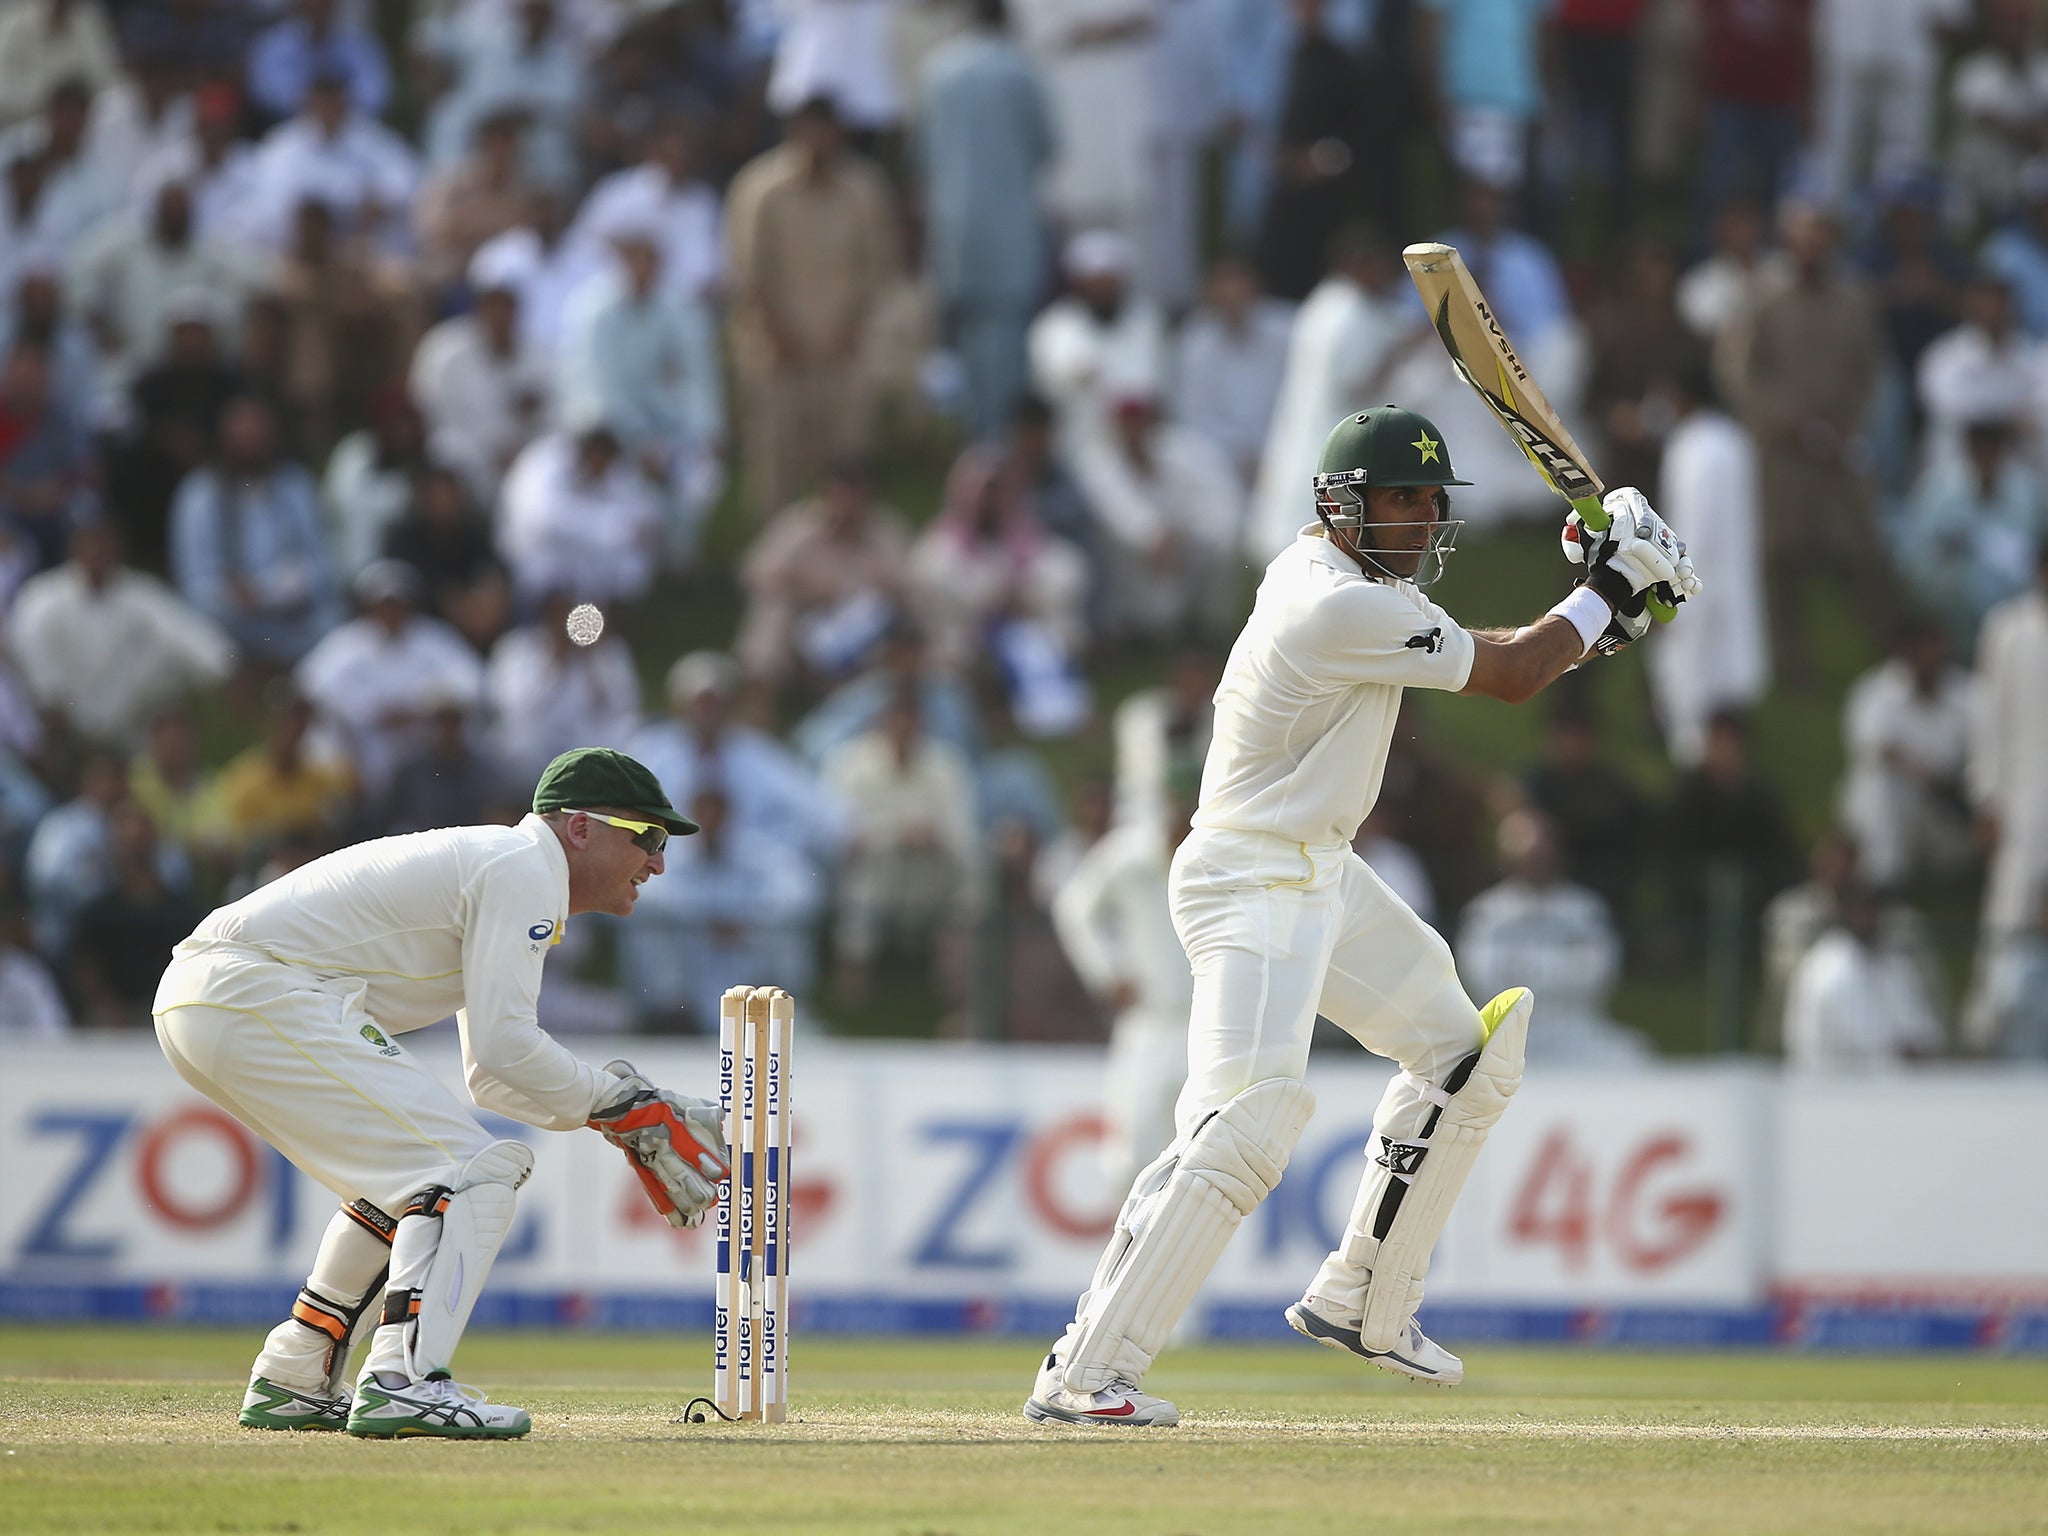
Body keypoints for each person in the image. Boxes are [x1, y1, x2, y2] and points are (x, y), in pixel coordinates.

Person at [1023, 404, 1699, 1426]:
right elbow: (1513, 672)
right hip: (1250, 875)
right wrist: (1610, 585)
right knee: (1243, 1124)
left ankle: (1364, 1301)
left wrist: (1603, 601)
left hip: (1318, 873)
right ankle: (1085, 1376)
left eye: (1433, 501)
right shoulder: (1327, 604)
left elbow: (1499, 648)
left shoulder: (1355, 589)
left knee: (1464, 1055)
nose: (1424, 519)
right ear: (1338, 506)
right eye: (1400, 499)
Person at [153, 748, 723, 1438]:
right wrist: (625, 1105)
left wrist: (616, 1116)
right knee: (463, 1173)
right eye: (648, 837)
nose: (658, 862)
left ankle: (297, 1374)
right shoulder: (521, 868)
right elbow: (510, 1046)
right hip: (251, 989)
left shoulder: (503, 868)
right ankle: (403, 1382)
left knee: (413, 1186)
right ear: (579, 828)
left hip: (220, 997)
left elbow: (489, 1070)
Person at [1053, 776, 1196, 1196]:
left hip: (1208, 1026)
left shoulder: (1221, 857)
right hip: (1148, 1021)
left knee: (1198, 1166)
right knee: (1130, 1154)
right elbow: (1074, 907)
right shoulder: (1130, 855)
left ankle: (1183, 1260)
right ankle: (1128, 1253)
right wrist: (1107, 973)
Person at [1783, 878, 1946, 1068]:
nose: (1872, 917)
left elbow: (1925, 1029)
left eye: (1875, 909)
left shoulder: (1892, 962)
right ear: (1843, 913)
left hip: (1885, 1085)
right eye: (1861, 909)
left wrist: (1921, 1048)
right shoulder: (1828, 965)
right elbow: (1869, 1040)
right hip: (1829, 1087)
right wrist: (1909, 1052)